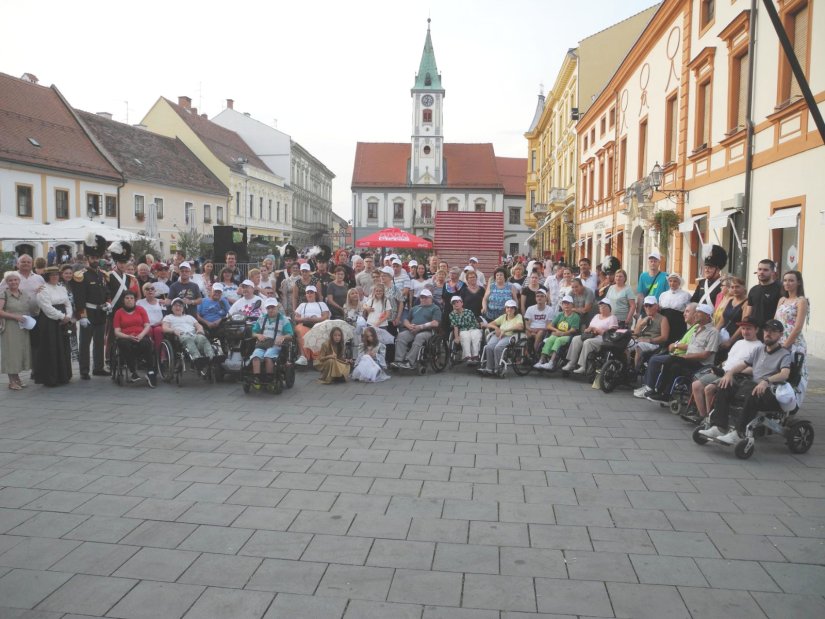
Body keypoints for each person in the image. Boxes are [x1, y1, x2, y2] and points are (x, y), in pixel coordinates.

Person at [699, 319, 792, 445]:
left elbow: (785, 374)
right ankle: (719, 427)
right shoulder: (759, 350)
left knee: (753, 394)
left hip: (771, 392)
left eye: (773, 331)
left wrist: (766, 381)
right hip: (753, 387)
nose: (768, 334)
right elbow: (743, 365)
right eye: (766, 330)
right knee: (724, 385)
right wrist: (729, 373)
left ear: (780, 334)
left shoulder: (784, 354)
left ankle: (739, 433)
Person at [639, 303, 718, 402]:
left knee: (671, 361)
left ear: (707, 315)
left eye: (699, 313)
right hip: (689, 359)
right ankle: (663, 393)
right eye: (696, 312)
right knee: (672, 365)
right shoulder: (696, 329)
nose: (695, 314)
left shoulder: (713, 332)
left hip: (701, 363)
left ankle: (660, 391)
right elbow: (691, 347)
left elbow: (706, 354)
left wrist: (685, 357)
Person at [691, 316, 762, 420]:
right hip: (723, 371)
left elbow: (755, 370)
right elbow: (729, 360)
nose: (745, 331)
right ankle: (703, 416)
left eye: (748, 329)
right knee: (696, 385)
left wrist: (733, 372)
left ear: (756, 329)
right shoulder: (739, 342)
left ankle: (711, 419)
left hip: (739, 376)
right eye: (743, 328)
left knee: (709, 389)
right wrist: (719, 367)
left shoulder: (759, 347)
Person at [71, 236, 110, 380]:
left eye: (97, 257)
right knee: (85, 343)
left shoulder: (102, 274)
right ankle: (84, 370)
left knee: (99, 342)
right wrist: (82, 315)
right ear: (88, 258)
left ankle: (98, 368)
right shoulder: (81, 275)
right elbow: (79, 298)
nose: (95, 260)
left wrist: (108, 302)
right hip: (88, 313)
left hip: (101, 312)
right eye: (93, 257)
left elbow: (106, 292)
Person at [35, 267, 74, 386]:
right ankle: (51, 378)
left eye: (57, 275)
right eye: (52, 275)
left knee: (63, 347)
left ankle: (64, 376)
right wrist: (62, 317)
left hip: (62, 321)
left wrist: (68, 315)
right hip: (49, 322)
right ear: (47, 276)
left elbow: (68, 303)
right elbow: (47, 308)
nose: (55, 277)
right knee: (51, 348)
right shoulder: (43, 289)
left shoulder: (62, 288)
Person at [0, 272, 37, 389]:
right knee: (11, 353)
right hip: (10, 327)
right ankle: (12, 381)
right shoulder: (4, 294)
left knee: (20, 352)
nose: (13, 282)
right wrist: (15, 317)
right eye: (10, 280)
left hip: (23, 326)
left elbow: (29, 308)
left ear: (19, 281)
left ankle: (17, 378)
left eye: (15, 280)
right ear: (7, 282)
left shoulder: (24, 294)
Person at [561, 298, 619, 373]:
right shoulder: (597, 316)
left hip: (603, 338)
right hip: (591, 335)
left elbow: (611, 333)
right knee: (576, 339)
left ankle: (583, 366)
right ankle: (571, 362)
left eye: (604, 306)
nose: (601, 308)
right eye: (600, 306)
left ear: (609, 308)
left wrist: (598, 330)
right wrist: (589, 329)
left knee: (588, 342)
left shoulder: (612, 318)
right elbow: (590, 327)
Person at [775, 270, 808, 399]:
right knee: (779, 371)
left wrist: (785, 346)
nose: (787, 283)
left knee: (794, 373)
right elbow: (775, 322)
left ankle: (793, 401)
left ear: (798, 283)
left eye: (791, 280)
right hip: (779, 341)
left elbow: (798, 327)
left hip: (794, 343)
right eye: (785, 280)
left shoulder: (801, 301)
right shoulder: (782, 300)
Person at [113, 291, 156, 386]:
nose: (129, 300)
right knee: (124, 344)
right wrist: (128, 336)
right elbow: (117, 331)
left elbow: (147, 325)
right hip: (126, 337)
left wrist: (141, 335)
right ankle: (133, 371)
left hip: (140, 335)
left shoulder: (140, 309)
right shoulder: (118, 313)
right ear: (123, 300)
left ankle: (150, 371)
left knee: (147, 343)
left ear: (135, 300)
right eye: (127, 298)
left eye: (132, 298)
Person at [392, 289, 441, 370]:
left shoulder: (435, 308)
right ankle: (398, 360)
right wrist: (409, 326)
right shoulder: (414, 308)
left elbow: (435, 323)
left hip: (427, 331)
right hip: (412, 329)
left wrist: (420, 327)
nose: (423, 299)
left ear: (431, 298)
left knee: (419, 337)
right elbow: (406, 320)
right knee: (401, 336)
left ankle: (410, 361)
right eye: (422, 297)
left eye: (426, 297)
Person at [162, 297, 215, 370]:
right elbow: (164, 328)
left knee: (202, 338)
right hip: (181, 335)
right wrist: (173, 330)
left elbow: (198, 325)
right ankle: (197, 358)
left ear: (183, 308)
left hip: (194, 334)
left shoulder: (189, 317)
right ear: (172, 308)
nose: (178, 307)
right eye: (176, 305)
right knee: (188, 338)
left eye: (180, 306)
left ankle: (211, 357)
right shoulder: (168, 317)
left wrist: (200, 330)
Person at [250, 297, 294, 379]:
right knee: (255, 357)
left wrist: (282, 337)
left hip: (275, 345)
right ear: (266, 309)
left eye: (273, 307)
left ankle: (269, 378)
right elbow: (253, 333)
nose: (271, 310)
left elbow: (290, 335)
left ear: (277, 307)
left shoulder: (284, 320)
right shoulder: (261, 318)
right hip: (262, 344)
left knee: (268, 356)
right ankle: (257, 379)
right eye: (268, 308)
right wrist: (258, 335)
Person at [534, 295, 580, 371]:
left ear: (572, 305)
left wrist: (562, 334)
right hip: (558, 334)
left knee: (558, 340)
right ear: (562, 305)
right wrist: (556, 331)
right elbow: (549, 326)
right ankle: (541, 361)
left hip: (568, 336)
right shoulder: (560, 315)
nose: (566, 305)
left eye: (568, 303)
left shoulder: (575, 316)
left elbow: (573, 330)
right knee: (550, 339)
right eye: (564, 303)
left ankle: (551, 362)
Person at [479, 299, 524, 375]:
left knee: (498, 347)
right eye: (508, 307)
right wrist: (497, 328)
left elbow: (520, 326)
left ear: (515, 309)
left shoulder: (518, 316)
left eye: (512, 308)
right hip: (499, 335)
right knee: (489, 347)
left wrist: (505, 330)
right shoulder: (503, 317)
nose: (509, 309)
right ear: (505, 309)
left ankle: (498, 368)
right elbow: (490, 324)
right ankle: (489, 368)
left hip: (510, 336)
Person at [628, 296, 670, 371]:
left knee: (639, 346)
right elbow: (636, 333)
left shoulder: (663, 319)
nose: (647, 308)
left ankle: (635, 371)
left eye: (650, 305)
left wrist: (649, 340)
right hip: (641, 340)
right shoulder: (642, 317)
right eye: (645, 305)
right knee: (626, 344)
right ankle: (626, 367)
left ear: (656, 306)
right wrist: (641, 324)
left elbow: (664, 337)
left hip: (654, 343)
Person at [293, 285, 330, 366]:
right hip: (304, 324)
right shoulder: (302, 305)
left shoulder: (321, 304)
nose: (309, 294)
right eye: (307, 292)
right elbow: (296, 318)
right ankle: (304, 357)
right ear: (306, 295)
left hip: (319, 324)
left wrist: (315, 319)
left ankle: (317, 357)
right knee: (300, 330)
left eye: (311, 292)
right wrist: (305, 319)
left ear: (315, 294)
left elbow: (325, 316)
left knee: (318, 330)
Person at [745, 259, 782, 329]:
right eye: (759, 269)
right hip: (754, 331)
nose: (761, 272)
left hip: (771, 330)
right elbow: (749, 313)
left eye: (765, 270)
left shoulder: (780, 289)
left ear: (772, 272)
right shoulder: (753, 290)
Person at [715, 276, 748, 349]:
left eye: (737, 287)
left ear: (744, 288)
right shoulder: (730, 300)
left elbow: (743, 325)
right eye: (732, 287)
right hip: (722, 337)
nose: (734, 289)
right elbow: (721, 321)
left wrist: (730, 341)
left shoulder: (747, 303)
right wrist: (713, 334)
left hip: (736, 340)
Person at [449, 295, 483, 364]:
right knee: (465, 336)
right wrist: (456, 337)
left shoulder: (469, 311)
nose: (456, 304)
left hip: (474, 328)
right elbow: (455, 326)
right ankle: (468, 357)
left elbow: (475, 323)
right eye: (453, 303)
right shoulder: (452, 314)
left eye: (457, 302)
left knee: (475, 336)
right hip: (463, 330)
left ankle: (476, 356)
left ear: (462, 303)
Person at [137, 282, 165, 351]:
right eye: (147, 289)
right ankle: (150, 352)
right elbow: (137, 315)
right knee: (148, 330)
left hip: (159, 325)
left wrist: (160, 322)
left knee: (158, 330)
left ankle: (161, 354)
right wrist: (146, 324)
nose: (150, 290)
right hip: (145, 325)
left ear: (155, 291)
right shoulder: (139, 303)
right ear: (144, 292)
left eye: (152, 289)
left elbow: (165, 315)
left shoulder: (161, 302)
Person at [523, 289, 551, 356]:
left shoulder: (550, 309)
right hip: (531, 330)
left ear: (545, 298)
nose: (539, 298)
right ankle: (526, 355)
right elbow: (527, 324)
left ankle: (532, 353)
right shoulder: (530, 308)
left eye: (542, 296)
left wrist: (537, 330)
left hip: (543, 331)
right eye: (538, 296)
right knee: (527, 331)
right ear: (535, 298)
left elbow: (548, 326)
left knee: (540, 332)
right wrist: (532, 331)